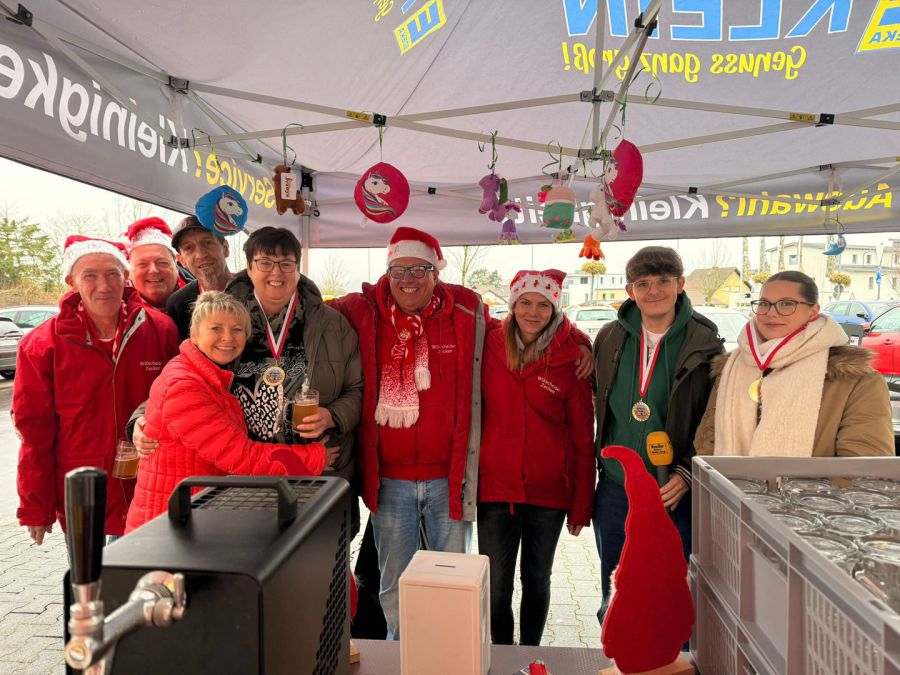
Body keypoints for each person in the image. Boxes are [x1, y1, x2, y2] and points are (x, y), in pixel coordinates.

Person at [329, 226, 490, 640]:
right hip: (390, 481)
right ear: (387, 273)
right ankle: (404, 654)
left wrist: (578, 342)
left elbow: (519, 333)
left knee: (453, 582)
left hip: (448, 479)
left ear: (436, 272)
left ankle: (450, 653)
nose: (408, 280)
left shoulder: (467, 310)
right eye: (399, 270)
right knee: (395, 585)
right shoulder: (362, 309)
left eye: (419, 270)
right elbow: (308, 310)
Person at [134, 227, 363, 509]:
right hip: (243, 478)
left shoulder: (333, 324)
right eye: (265, 263)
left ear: (297, 268)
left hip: (319, 473)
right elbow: (186, 374)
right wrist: (141, 419)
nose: (276, 273)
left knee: (315, 537)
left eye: (286, 264)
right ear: (249, 268)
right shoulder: (225, 319)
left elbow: (357, 389)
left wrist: (332, 416)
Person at [14, 235, 178, 544]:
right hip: (83, 492)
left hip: (147, 486)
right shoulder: (41, 345)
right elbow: (34, 430)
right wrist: (35, 506)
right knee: (89, 575)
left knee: (143, 573)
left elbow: (176, 402)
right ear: (71, 282)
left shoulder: (160, 330)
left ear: (126, 277)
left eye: (112, 274)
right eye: (89, 276)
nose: (103, 286)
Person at [125, 291, 335, 533]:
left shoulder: (204, 373)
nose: (228, 338)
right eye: (216, 328)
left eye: (237, 330)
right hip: (169, 526)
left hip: (192, 514)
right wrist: (314, 457)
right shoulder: (185, 384)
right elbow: (240, 456)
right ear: (194, 333)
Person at [591, 246, 723, 622]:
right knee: (617, 592)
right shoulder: (610, 337)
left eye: (663, 281)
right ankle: (616, 650)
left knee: (671, 596)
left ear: (680, 284)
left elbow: (715, 419)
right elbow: (596, 394)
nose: (653, 291)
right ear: (630, 290)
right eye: (643, 283)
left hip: (673, 492)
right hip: (617, 488)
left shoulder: (704, 341)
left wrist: (687, 472)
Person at [477, 269, 595, 646]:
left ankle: (530, 654)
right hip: (496, 490)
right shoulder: (489, 342)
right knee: (496, 589)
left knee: (537, 580)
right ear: (512, 305)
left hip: (548, 494)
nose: (533, 312)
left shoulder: (571, 356)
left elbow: (582, 438)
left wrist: (581, 506)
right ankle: (502, 655)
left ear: (555, 310)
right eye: (525, 302)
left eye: (544, 305)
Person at [694, 270, 893, 457]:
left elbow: (863, 469)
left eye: (787, 304)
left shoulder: (856, 380)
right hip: (727, 483)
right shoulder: (732, 367)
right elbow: (707, 443)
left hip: (807, 486)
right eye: (764, 303)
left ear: (813, 311)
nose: (771, 313)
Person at [166, 215, 234, 340]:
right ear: (182, 260)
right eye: (189, 248)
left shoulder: (255, 289)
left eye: (208, 243)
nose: (200, 254)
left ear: (225, 248)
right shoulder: (178, 304)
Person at [124, 217, 182, 310]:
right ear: (129, 273)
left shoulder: (200, 292)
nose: (153, 270)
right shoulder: (116, 312)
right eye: (142, 264)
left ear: (176, 267)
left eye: (162, 263)